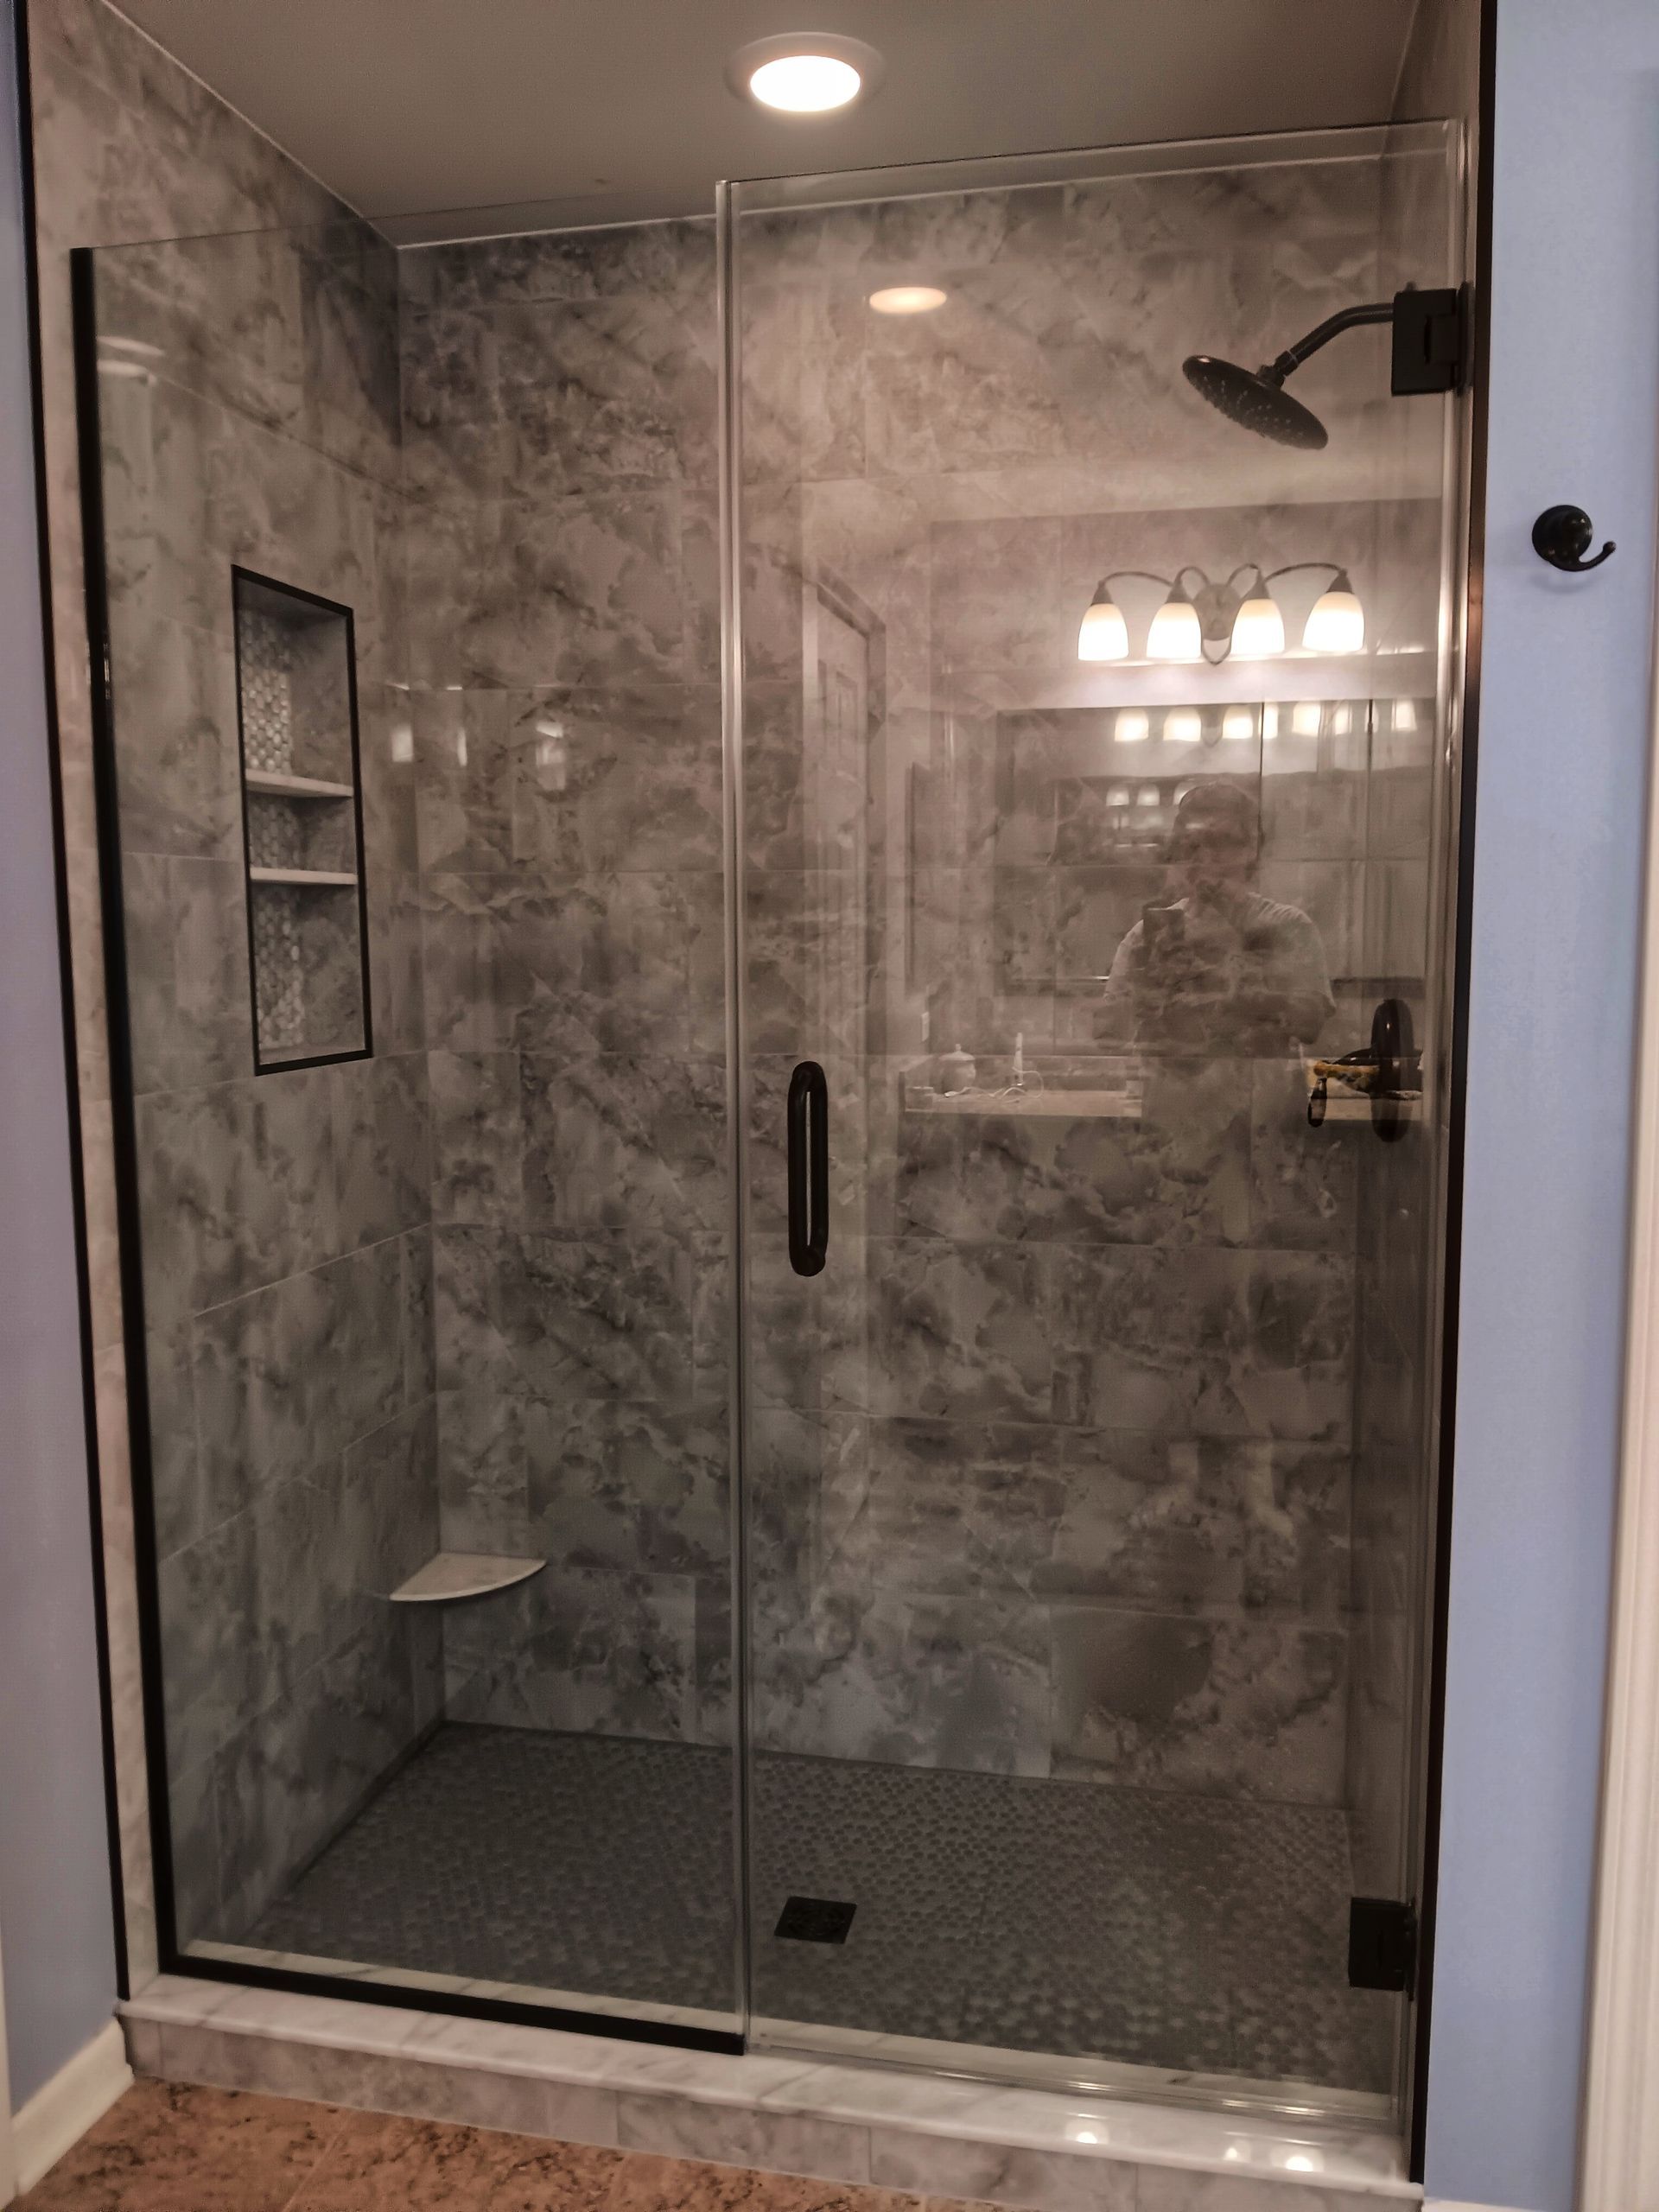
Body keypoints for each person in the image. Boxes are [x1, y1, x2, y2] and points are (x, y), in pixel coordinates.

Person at [1095, 779, 1334, 1053]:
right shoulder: (1148, 934)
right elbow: (1108, 1036)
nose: (1205, 857)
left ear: (1250, 850)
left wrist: (1243, 958)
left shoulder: (1287, 926)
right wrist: (1143, 994)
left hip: (1261, 1094)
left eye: (1220, 843)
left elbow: (1311, 1024)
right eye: (1192, 846)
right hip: (1174, 1093)